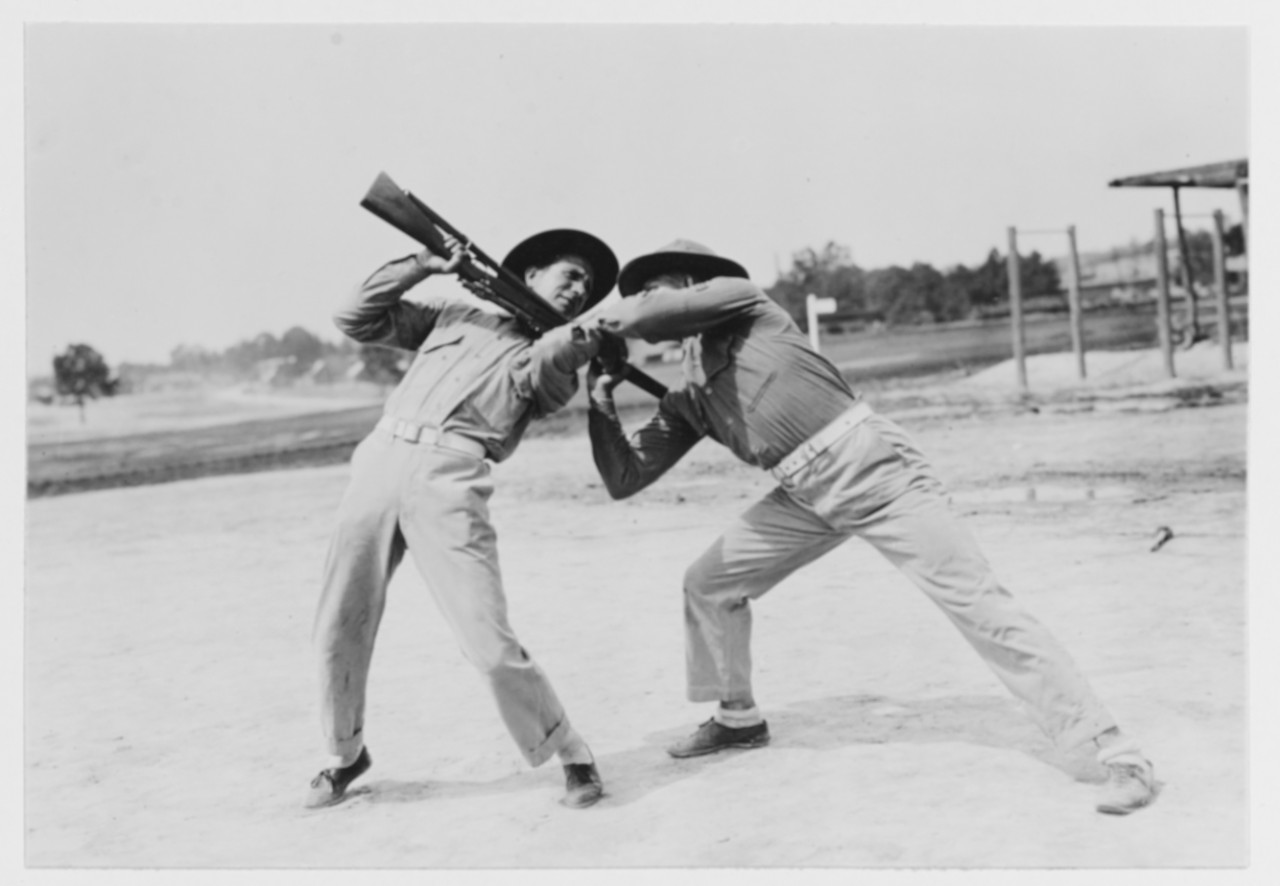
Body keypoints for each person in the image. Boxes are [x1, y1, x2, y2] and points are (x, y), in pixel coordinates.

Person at [583, 239, 1160, 815]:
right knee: (709, 582)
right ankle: (738, 718)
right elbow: (626, 477)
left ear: (692, 284)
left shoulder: (746, 303)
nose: (641, 301)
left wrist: (593, 328)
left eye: (652, 289)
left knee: (983, 608)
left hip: (878, 470)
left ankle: (1119, 754)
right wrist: (601, 399)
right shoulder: (689, 392)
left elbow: (644, 316)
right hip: (804, 495)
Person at [306, 228, 620, 810]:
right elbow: (354, 316)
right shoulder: (456, 314)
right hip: (379, 460)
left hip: (451, 479)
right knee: (337, 623)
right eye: (570, 276)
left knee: (488, 642)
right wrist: (424, 263)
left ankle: (569, 748)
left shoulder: (554, 357)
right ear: (530, 275)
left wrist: (576, 337)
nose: (580, 291)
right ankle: (344, 754)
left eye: (589, 288)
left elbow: (549, 376)